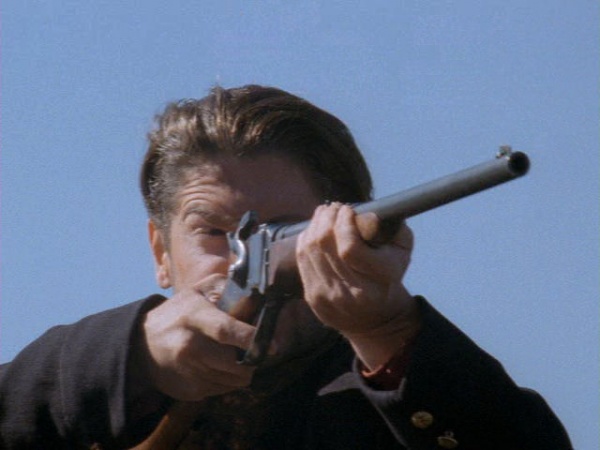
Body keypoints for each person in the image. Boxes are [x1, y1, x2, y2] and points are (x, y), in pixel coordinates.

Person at [0, 85, 572, 450]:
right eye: (214, 232)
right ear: (160, 252)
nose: (240, 256)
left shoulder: (398, 401)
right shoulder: (103, 396)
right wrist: (127, 360)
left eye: (284, 230)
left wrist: (388, 333)